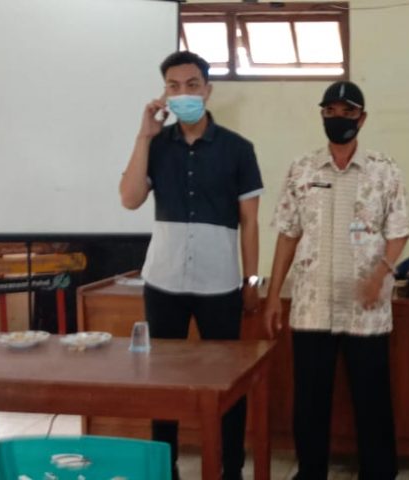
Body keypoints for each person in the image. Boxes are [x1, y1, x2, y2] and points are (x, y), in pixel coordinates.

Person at [118, 51, 263, 480]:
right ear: (165, 93)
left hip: (220, 284)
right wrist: (143, 136)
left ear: (207, 90)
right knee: (163, 383)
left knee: (227, 382)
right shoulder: (157, 145)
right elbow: (129, 199)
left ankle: (230, 468)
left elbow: (251, 222)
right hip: (163, 282)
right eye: (173, 86)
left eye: (192, 85)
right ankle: (165, 467)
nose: (183, 93)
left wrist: (251, 280)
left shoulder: (238, 149)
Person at [263, 81, 409, 480]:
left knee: (372, 402)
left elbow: (398, 232)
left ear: (362, 118)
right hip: (313, 307)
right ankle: (311, 473)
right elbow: (287, 234)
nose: (338, 118)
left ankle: (378, 474)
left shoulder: (384, 170)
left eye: (347, 112)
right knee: (309, 404)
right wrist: (274, 295)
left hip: (366, 310)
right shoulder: (302, 169)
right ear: (322, 115)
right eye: (330, 111)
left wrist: (379, 275)